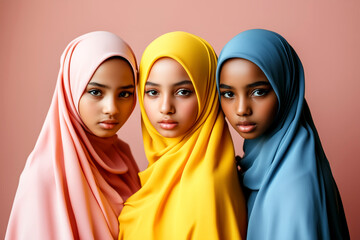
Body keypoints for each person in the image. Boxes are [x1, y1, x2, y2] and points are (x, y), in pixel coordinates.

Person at [6, 31, 141, 240]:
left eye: (124, 94)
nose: (111, 108)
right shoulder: (44, 178)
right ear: (71, 89)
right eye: (96, 92)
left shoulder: (123, 159)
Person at [216, 29, 349, 239]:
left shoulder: (295, 184)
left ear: (285, 88)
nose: (241, 109)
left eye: (259, 92)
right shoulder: (262, 161)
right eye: (228, 94)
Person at [118, 31, 247, 240]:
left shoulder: (207, 190)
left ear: (208, 94)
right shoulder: (151, 173)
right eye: (152, 92)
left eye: (183, 92)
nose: (165, 107)